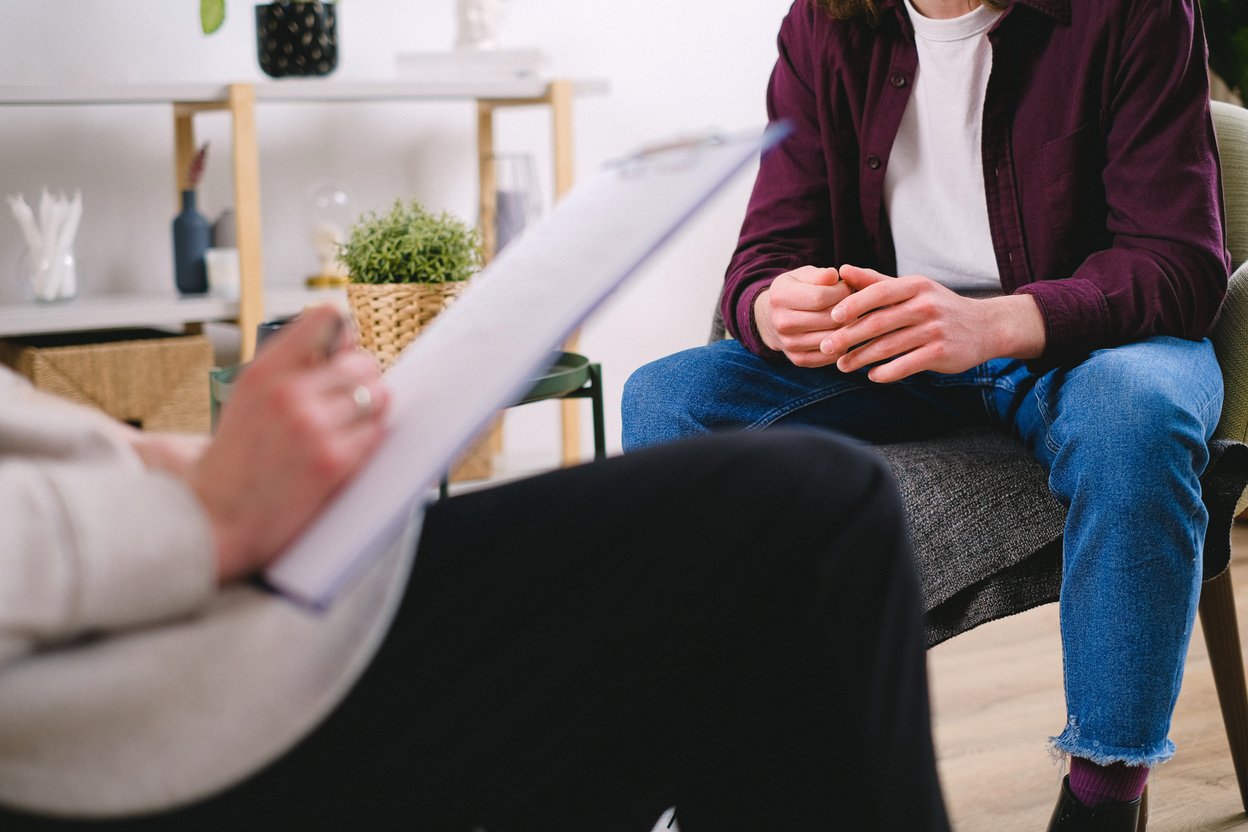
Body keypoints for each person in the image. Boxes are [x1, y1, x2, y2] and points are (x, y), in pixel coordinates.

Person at [620, 0, 1228, 829]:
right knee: (663, 400)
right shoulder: (825, 23)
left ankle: (1104, 795)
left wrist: (994, 321)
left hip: (1085, 344)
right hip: (896, 359)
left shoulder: (1131, 12)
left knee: (1137, 420)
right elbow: (766, 251)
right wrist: (769, 306)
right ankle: (729, 763)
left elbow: (1180, 265)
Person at [0, 306, 949, 831]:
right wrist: (202, 516)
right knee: (809, 514)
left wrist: (173, 465)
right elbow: (761, 261)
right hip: (122, 716)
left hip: (158, 616)